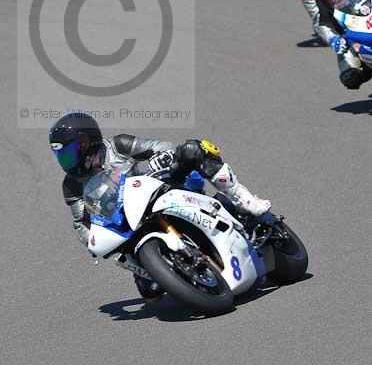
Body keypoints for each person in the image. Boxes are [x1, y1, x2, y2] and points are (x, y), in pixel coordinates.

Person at [49, 112, 270, 303]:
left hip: (158, 188)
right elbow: (81, 222)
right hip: (128, 223)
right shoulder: (71, 185)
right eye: (61, 156)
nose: (65, 161)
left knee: (194, 149)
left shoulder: (118, 146)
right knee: (150, 294)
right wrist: (92, 240)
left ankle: (244, 199)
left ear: (86, 142)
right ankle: (185, 271)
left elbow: (160, 146)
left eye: (68, 153)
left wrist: (160, 158)